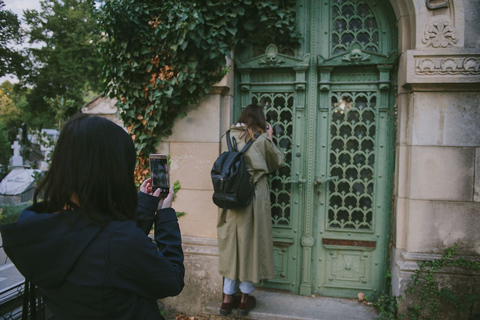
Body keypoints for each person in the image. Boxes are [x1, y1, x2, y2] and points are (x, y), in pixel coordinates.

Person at [1, 114, 184, 320]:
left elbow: (98, 248)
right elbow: (172, 280)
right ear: (111, 172)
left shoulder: (34, 227)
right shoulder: (117, 241)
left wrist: (145, 205)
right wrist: (166, 215)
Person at [217, 104, 284, 317]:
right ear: (260, 120)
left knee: (231, 248)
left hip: (230, 198)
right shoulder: (262, 139)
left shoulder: (226, 137)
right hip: (253, 199)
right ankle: (244, 300)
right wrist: (270, 136)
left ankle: (227, 300)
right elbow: (277, 162)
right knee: (251, 247)